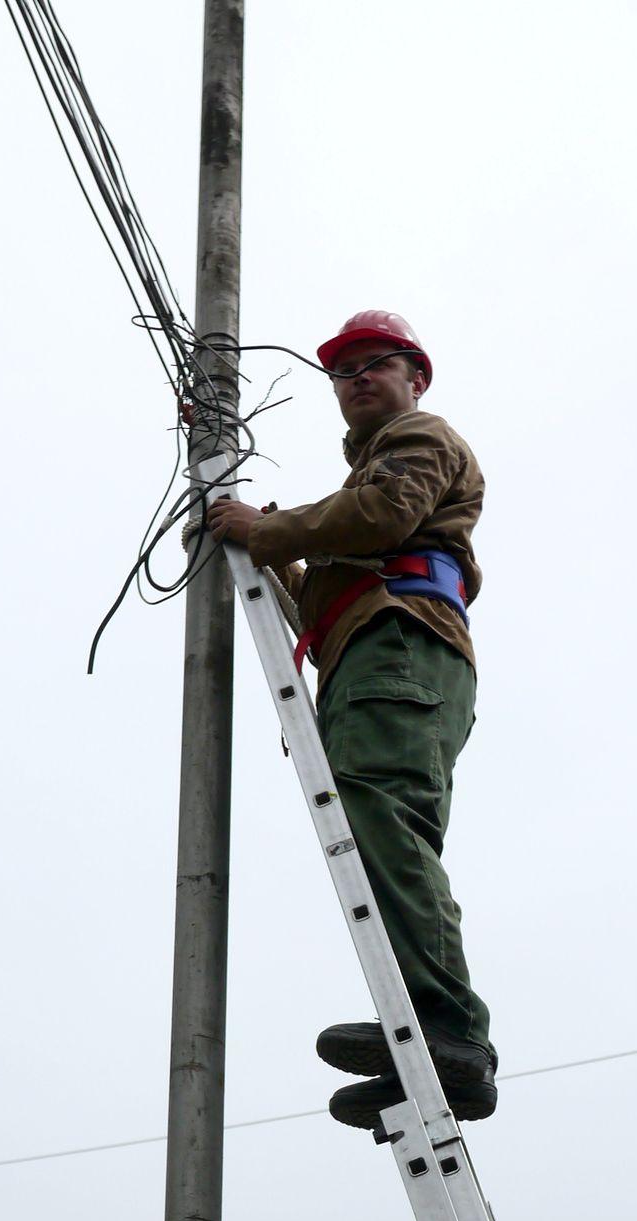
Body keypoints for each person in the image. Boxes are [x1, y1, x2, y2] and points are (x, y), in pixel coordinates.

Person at [205, 308, 496, 1129]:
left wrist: (268, 529)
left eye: (378, 363)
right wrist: (286, 558)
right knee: (378, 841)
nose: (359, 376)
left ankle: (451, 1033)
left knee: (379, 814)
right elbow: (341, 579)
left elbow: (384, 520)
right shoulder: (363, 478)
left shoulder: (419, 438)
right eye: (344, 369)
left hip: (403, 644)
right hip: (376, 652)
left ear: (416, 377)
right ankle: (426, 1054)